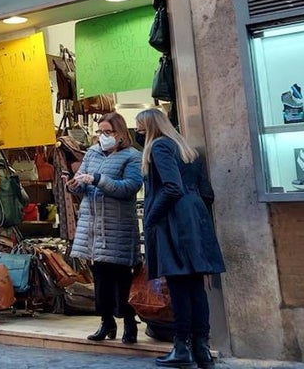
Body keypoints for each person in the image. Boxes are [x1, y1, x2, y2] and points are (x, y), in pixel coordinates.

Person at [136, 108, 225, 369]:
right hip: (194, 220)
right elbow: (207, 193)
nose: (138, 132)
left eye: (140, 127)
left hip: (173, 223)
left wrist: (151, 215)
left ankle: (182, 347)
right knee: (195, 287)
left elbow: (171, 186)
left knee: (178, 287)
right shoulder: (187, 149)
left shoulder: (160, 148)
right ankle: (202, 348)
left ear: (150, 127)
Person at [67, 112, 144, 344]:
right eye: (100, 132)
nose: (103, 136)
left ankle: (129, 323)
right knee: (100, 277)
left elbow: (130, 187)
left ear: (120, 133)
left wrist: (98, 179)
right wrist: (74, 185)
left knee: (121, 277)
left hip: (117, 226)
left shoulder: (132, 157)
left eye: (108, 132)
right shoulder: (92, 153)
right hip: (93, 226)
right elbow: (81, 179)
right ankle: (105, 321)